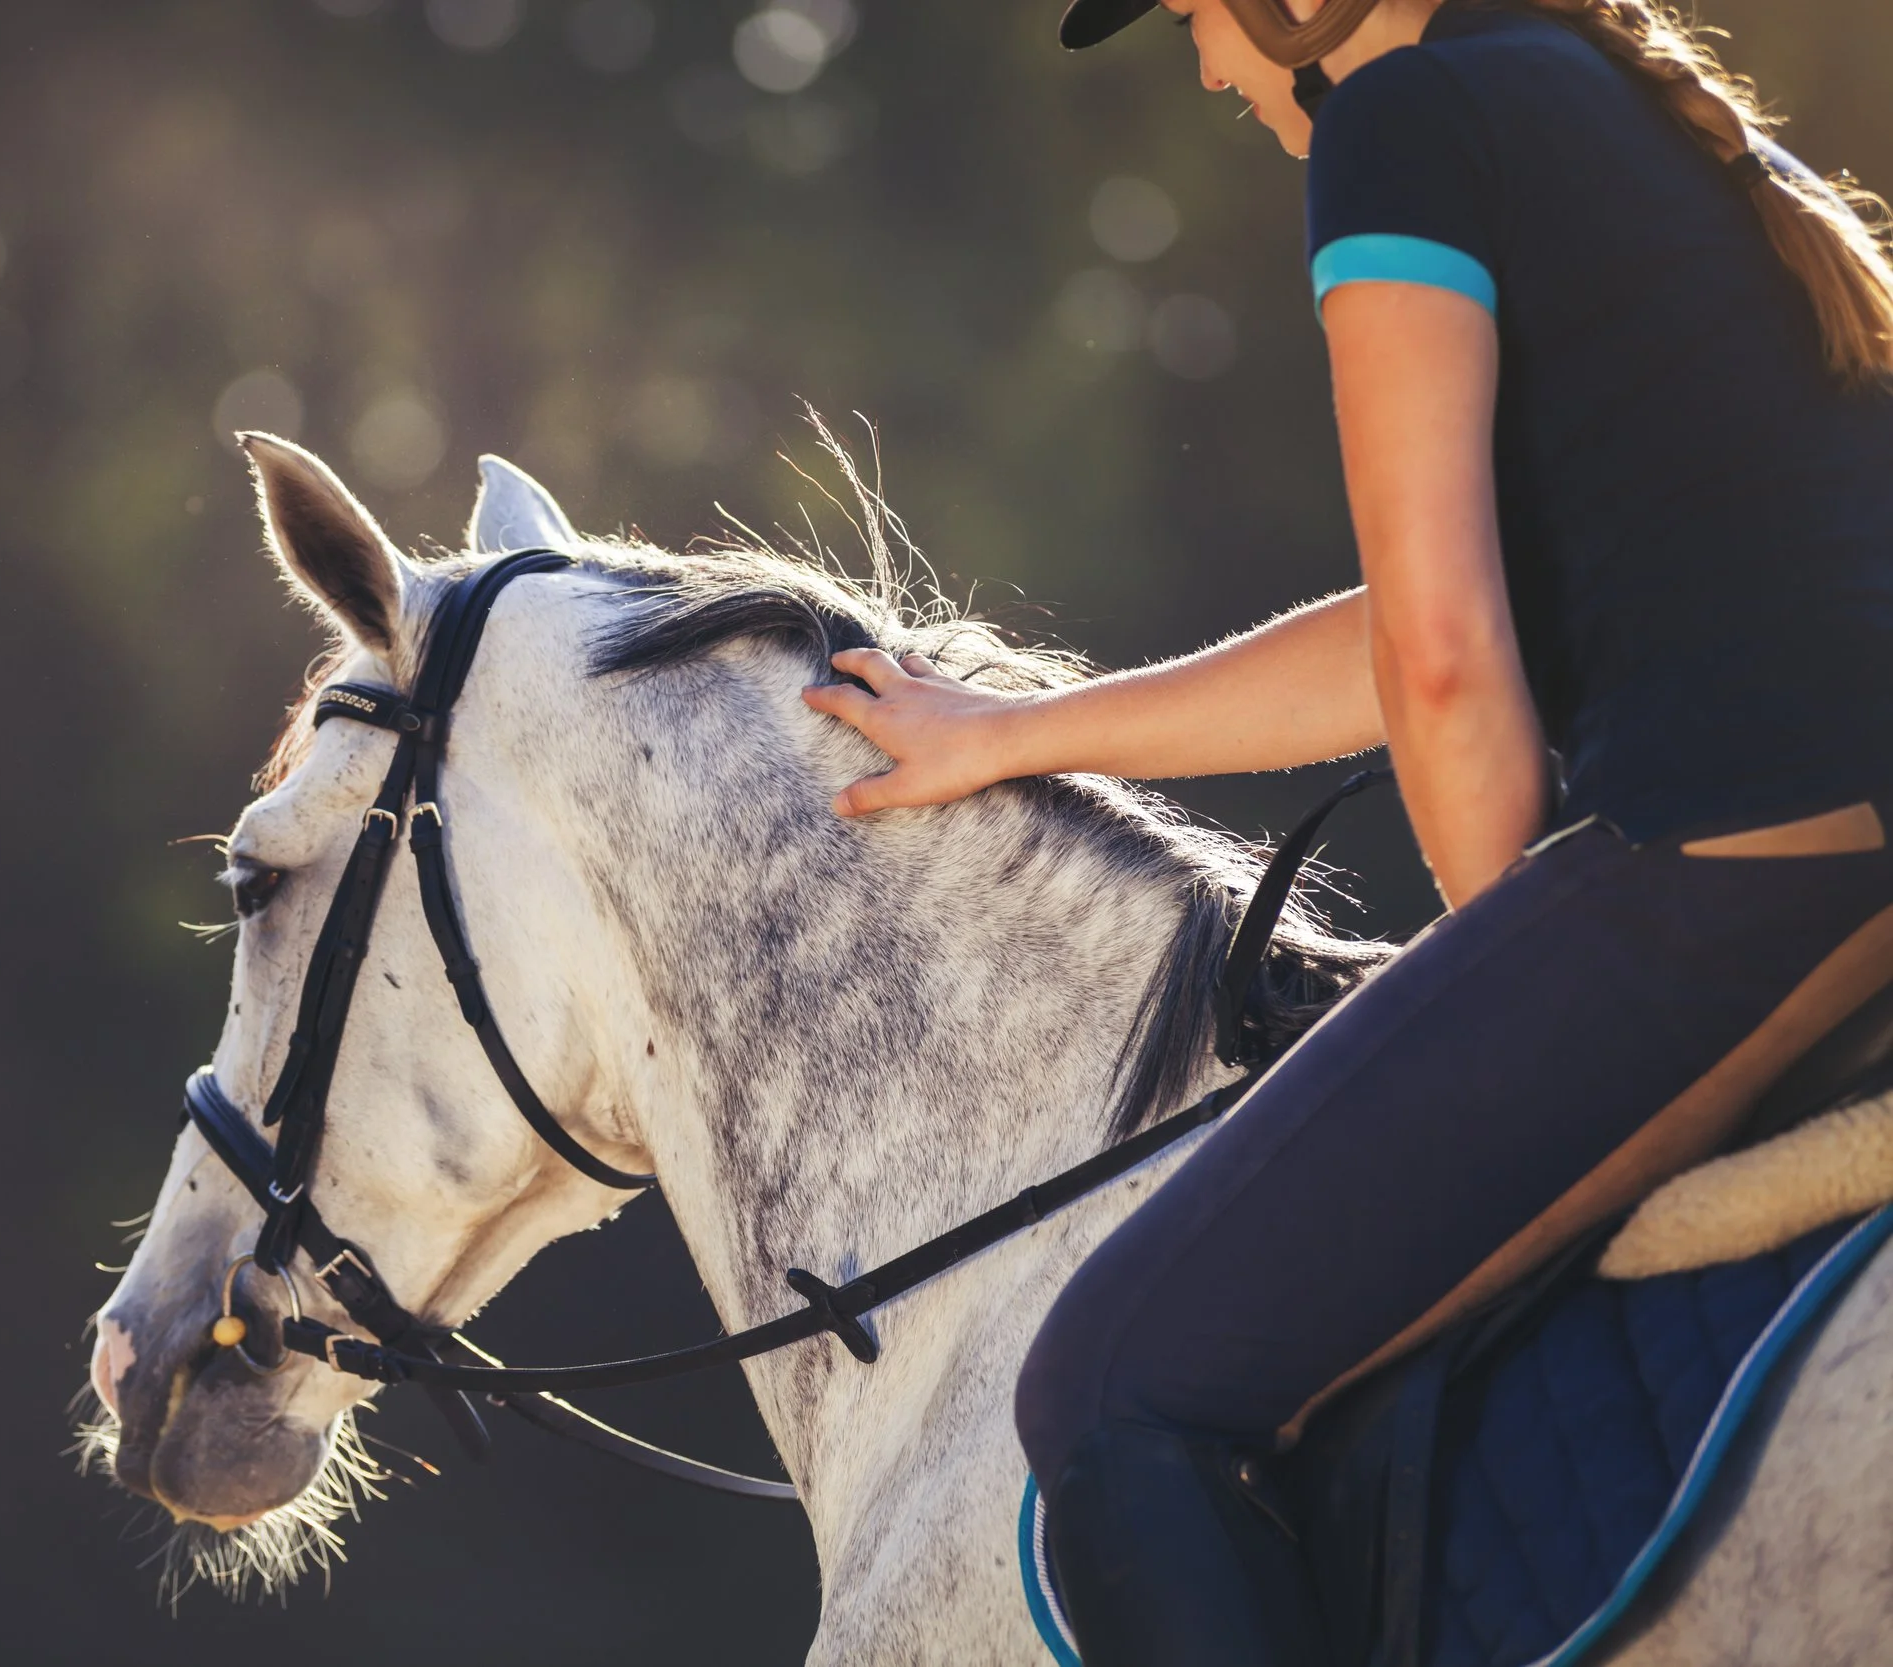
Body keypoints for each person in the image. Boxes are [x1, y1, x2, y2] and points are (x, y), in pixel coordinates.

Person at [797, 1, 1893, 1661]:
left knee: (1110, 1389)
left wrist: (1481, 955)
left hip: (1740, 857)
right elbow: (1407, 632)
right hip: (1833, 817)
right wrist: (1011, 735)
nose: (1207, 68)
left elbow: (1448, 659)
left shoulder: (1403, 126)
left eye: (1191, 16)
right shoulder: (1601, 94)